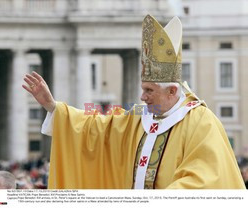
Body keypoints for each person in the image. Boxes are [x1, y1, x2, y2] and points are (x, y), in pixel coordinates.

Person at [22, 15, 245, 189]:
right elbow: (96, 127)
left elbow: (204, 177)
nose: (142, 97)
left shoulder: (201, 122)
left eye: (149, 90)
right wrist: (52, 106)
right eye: (143, 89)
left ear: (172, 91)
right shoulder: (139, 117)